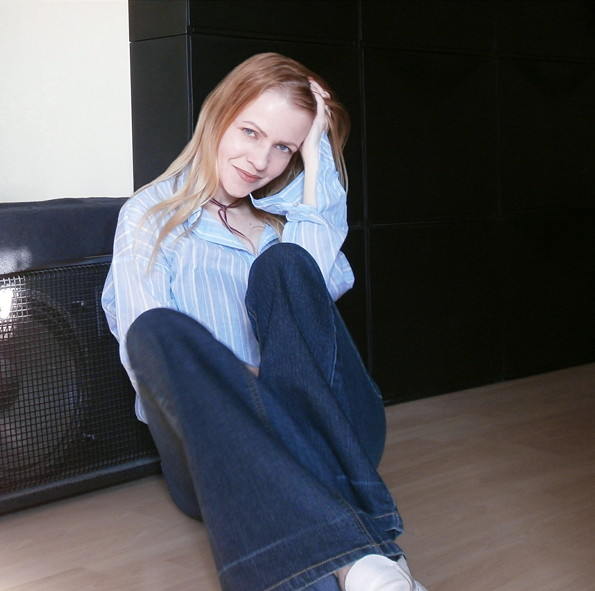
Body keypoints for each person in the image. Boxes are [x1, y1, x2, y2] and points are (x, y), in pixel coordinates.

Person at [101, 53, 428, 591]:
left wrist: (318, 153)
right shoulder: (150, 216)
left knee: (286, 267)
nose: (261, 160)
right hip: (216, 454)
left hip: (328, 428)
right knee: (157, 332)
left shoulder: (287, 223)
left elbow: (313, 303)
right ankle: (367, 559)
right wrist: (248, 387)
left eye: (284, 147)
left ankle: (350, 554)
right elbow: (155, 371)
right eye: (250, 131)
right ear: (218, 115)